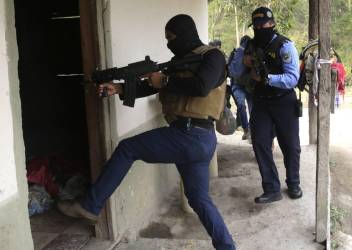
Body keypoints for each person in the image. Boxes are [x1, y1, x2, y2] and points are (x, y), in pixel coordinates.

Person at [57, 14, 235, 250]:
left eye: (171, 37)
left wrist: (163, 81)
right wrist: (120, 87)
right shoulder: (179, 63)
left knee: (127, 148)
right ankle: (227, 247)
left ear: (185, 33)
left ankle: (90, 205)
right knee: (200, 200)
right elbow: (152, 85)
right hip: (196, 140)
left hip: (191, 135)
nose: (169, 43)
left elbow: (201, 87)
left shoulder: (213, 57)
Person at [243, 7, 302, 203]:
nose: (261, 28)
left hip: (284, 100)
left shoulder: (284, 45)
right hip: (260, 101)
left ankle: (293, 183)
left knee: (291, 145)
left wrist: (267, 78)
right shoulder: (250, 46)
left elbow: (292, 78)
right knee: (260, 143)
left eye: (264, 24)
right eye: (257, 25)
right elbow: (234, 70)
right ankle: (271, 188)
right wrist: (244, 62)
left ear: (272, 23)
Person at [228, 35, 253, 140]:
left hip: (236, 85)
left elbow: (229, 71)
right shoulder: (252, 54)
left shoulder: (235, 53)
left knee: (241, 106)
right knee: (252, 109)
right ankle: (252, 130)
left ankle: (246, 129)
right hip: (250, 85)